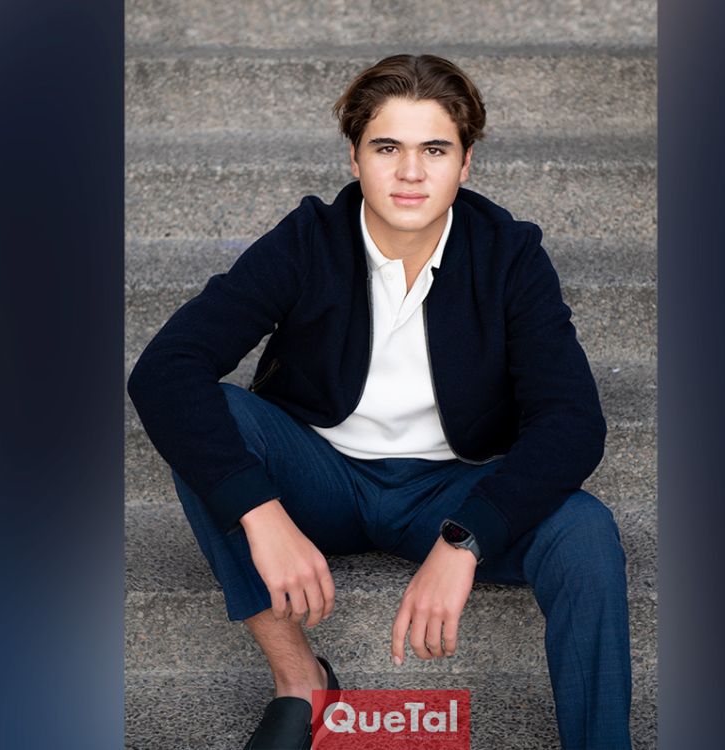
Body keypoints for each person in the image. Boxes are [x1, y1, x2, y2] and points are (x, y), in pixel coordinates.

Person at [127, 53, 632, 750]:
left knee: (585, 531)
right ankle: (301, 683)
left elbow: (572, 423)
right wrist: (260, 512)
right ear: (355, 157)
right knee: (210, 421)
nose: (411, 172)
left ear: (467, 162)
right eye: (387, 147)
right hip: (319, 479)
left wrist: (465, 539)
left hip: (448, 490)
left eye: (436, 149)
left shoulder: (508, 256)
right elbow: (166, 371)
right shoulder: (309, 239)